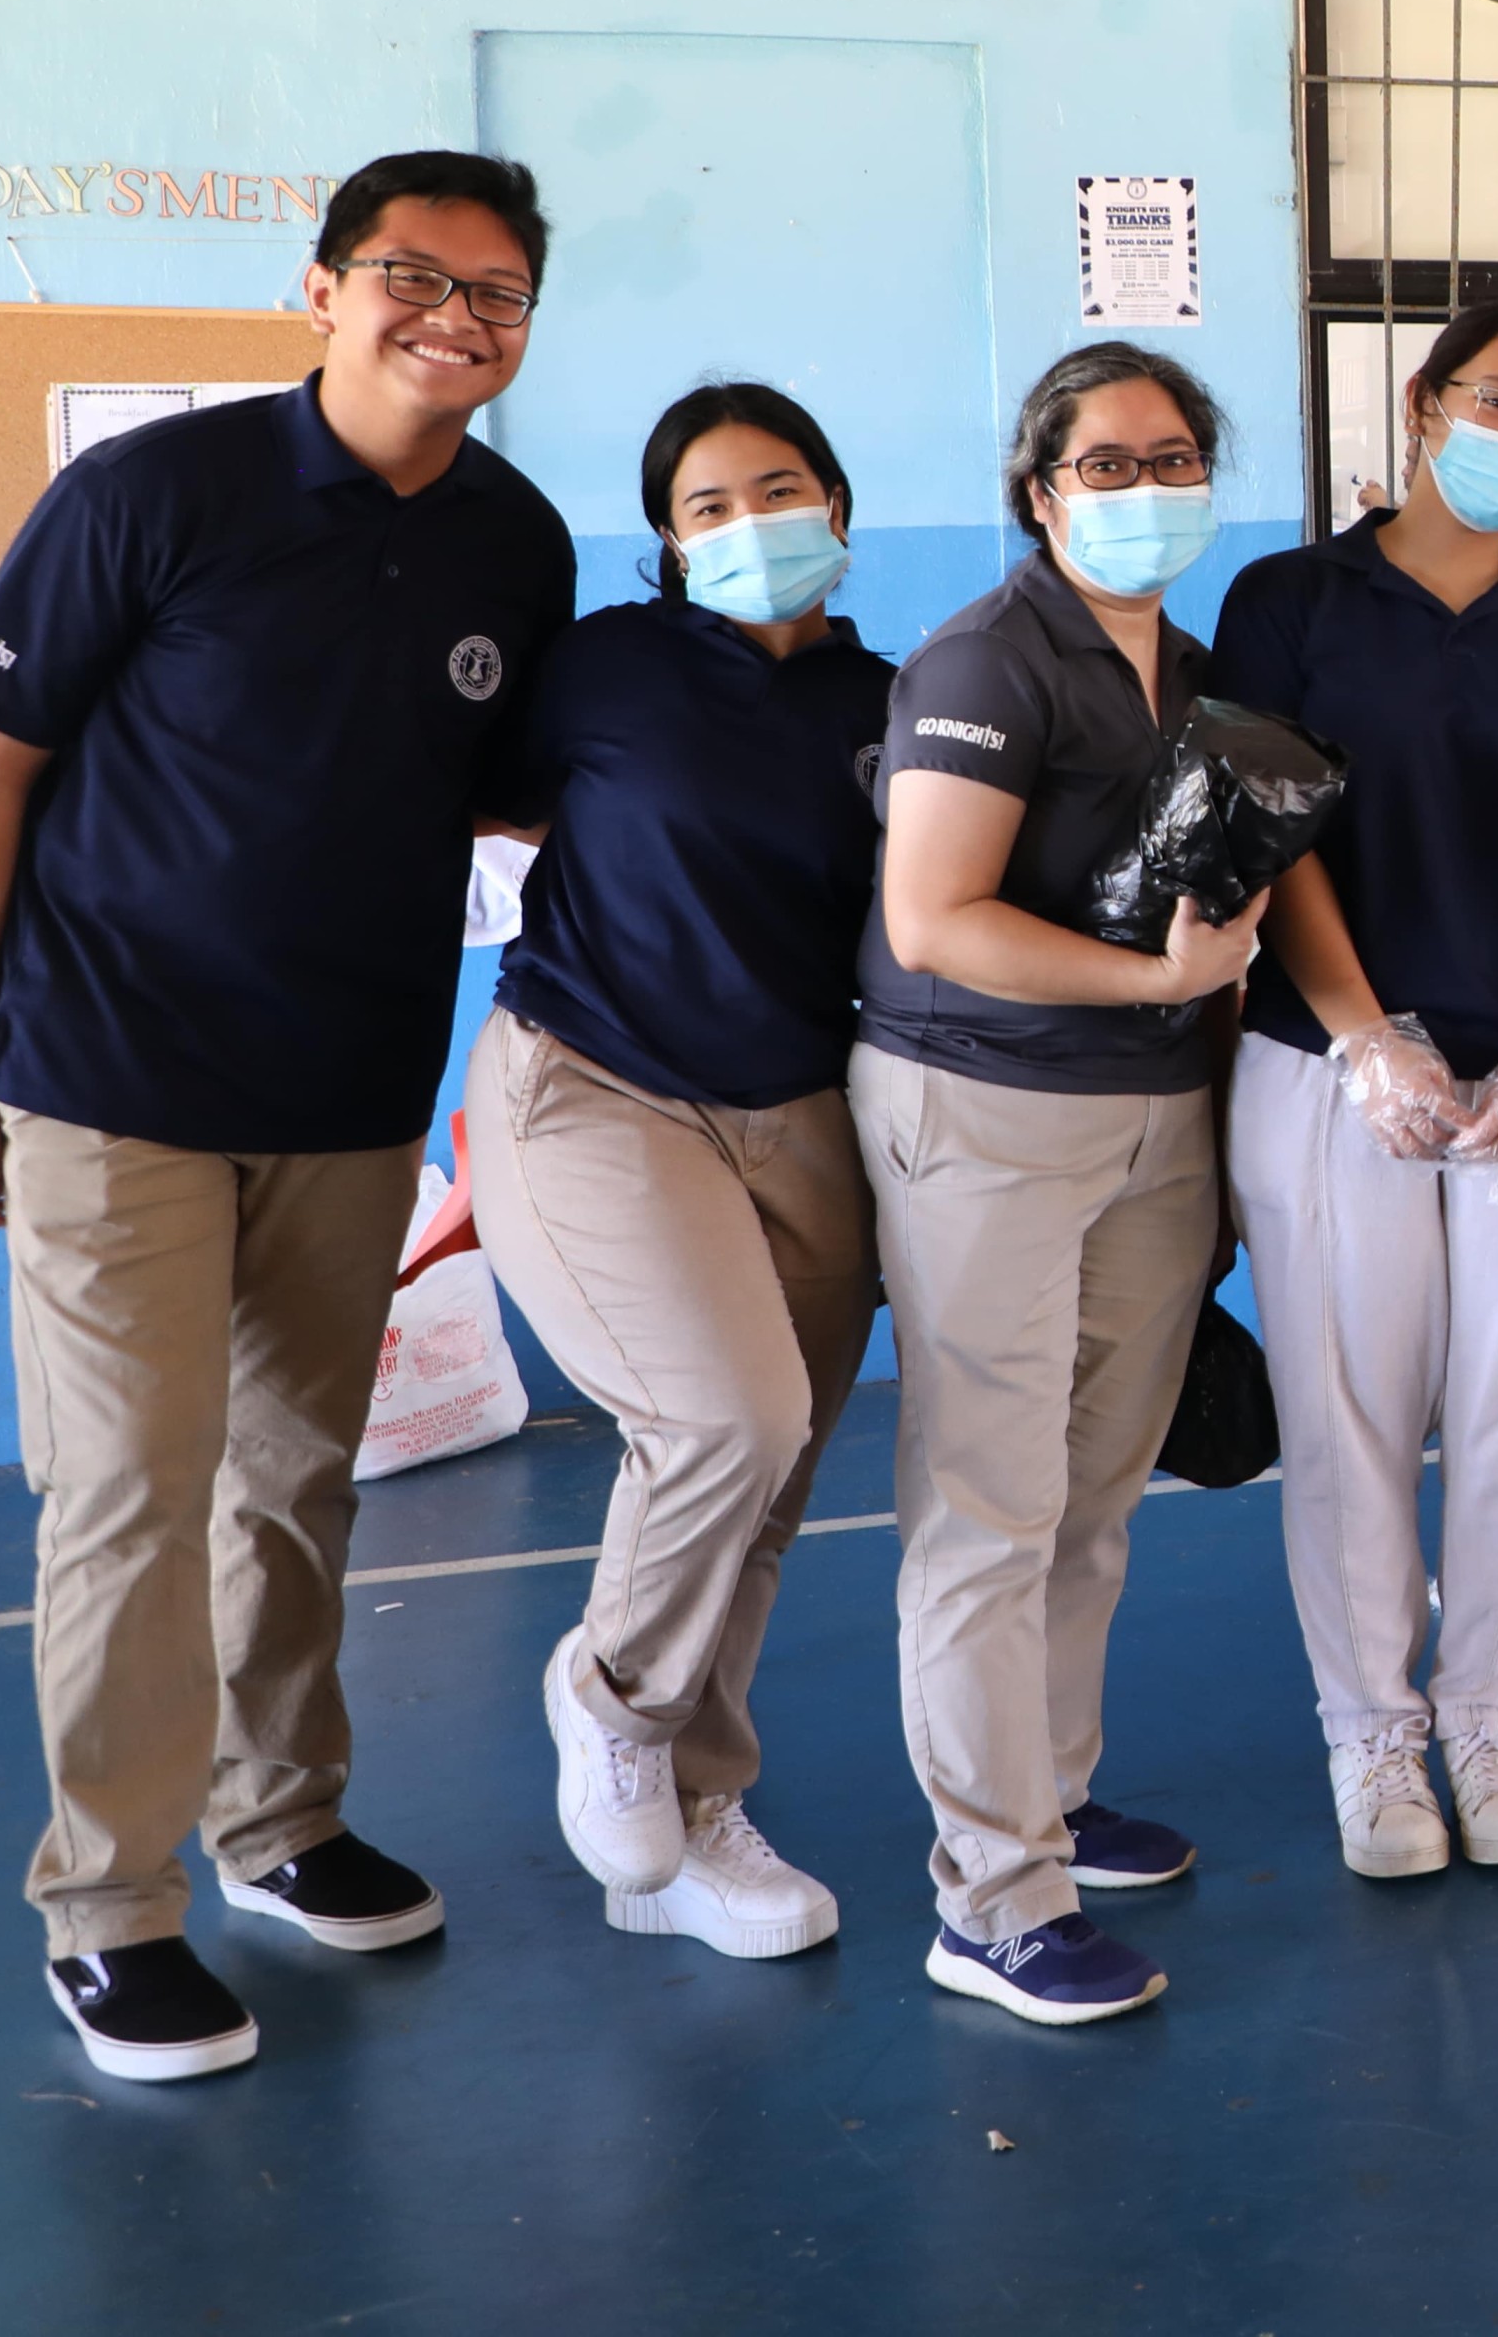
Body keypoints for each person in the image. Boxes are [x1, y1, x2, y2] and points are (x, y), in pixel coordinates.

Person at [0, 150, 573, 2084]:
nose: (453, 315)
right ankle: (110, 1906)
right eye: (411, 273)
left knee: (294, 1481)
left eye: (498, 294)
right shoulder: (154, 494)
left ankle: (280, 1821)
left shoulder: (512, 546)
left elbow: (518, 790)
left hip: (350, 1092)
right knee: (130, 1497)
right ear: (318, 291)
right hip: (112, 1083)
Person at [1210, 303, 1498, 1880]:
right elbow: (1279, 835)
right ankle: (1373, 1736)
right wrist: (1361, 1033)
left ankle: (1486, 1713)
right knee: (1348, 1415)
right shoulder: (1288, 602)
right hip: (1336, 1077)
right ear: (1420, 404)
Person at [859, 342, 1268, 2026]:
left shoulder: (1194, 667)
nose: (1143, 487)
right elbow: (932, 916)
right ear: (1038, 488)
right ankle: (993, 1897)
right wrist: (1154, 991)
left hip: (1158, 1126)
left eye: (1171, 457)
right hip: (992, 1117)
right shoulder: (984, 658)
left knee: (1094, 1497)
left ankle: (1050, 1793)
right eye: (1105, 462)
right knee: (987, 1510)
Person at [474, 384, 891, 1962]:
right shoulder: (606, 665)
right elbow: (479, 797)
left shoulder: (892, 702)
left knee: (766, 1492)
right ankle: (610, 1698)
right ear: (665, 539)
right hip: (597, 1084)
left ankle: (694, 1820)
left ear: (839, 506)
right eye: (707, 507)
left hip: (803, 1111)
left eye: (777, 490)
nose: (748, 527)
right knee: (726, 1419)